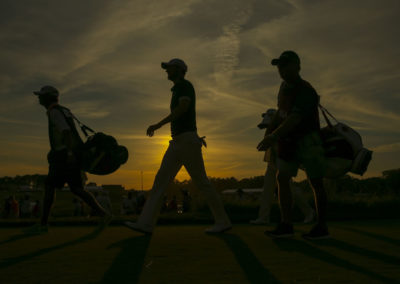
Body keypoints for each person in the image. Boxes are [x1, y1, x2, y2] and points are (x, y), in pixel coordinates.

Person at [125, 58, 231, 234]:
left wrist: (158, 125)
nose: (167, 71)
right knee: (160, 181)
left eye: (170, 68)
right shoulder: (177, 89)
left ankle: (223, 221)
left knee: (202, 182)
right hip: (177, 142)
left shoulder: (184, 86)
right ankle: (145, 224)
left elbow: (182, 109)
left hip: (187, 141)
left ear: (180, 70)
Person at [257, 51, 329, 239]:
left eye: (285, 65)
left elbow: (295, 119)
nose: (281, 69)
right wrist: (269, 134)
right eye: (279, 66)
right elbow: (281, 114)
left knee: (316, 182)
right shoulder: (283, 88)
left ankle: (322, 227)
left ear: (297, 66)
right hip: (288, 140)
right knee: (282, 178)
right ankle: (286, 224)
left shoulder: (306, 89)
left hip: (308, 139)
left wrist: (273, 137)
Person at [31, 85, 111, 233]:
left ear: (48, 97)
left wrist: (68, 153)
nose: (39, 98)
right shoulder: (64, 110)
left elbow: (66, 133)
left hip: (64, 155)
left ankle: (43, 225)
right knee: (76, 188)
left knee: (50, 186)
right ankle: (103, 214)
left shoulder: (54, 112)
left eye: (41, 96)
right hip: (71, 153)